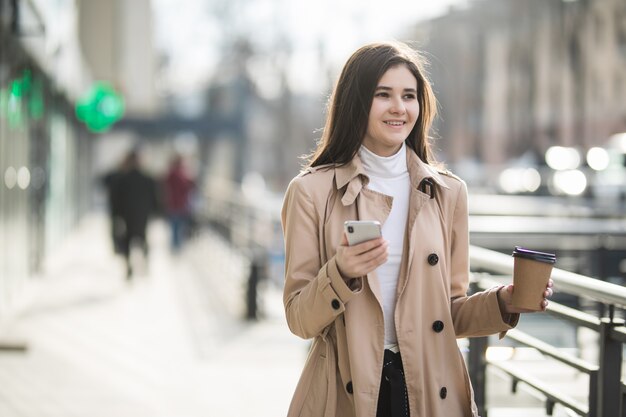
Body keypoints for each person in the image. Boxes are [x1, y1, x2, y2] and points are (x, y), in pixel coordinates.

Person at [280, 41, 554, 417]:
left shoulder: (447, 192)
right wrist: (341, 272)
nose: (399, 108)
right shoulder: (311, 193)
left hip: (430, 392)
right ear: (356, 102)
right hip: (347, 395)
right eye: (383, 95)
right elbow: (299, 319)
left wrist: (503, 302)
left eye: (409, 96)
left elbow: (449, 314)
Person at [111, 149, 159, 279]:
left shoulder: (122, 178)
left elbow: (116, 200)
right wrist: (156, 212)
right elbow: (156, 198)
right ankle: (143, 263)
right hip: (142, 216)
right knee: (142, 239)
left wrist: (116, 216)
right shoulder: (148, 179)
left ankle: (130, 266)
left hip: (127, 216)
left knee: (128, 241)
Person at [163, 154, 195, 252]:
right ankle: (176, 247)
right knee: (177, 227)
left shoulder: (173, 173)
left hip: (176, 204)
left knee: (176, 227)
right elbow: (187, 187)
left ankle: (175, 246)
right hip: (178, 204)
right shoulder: (178, 174)